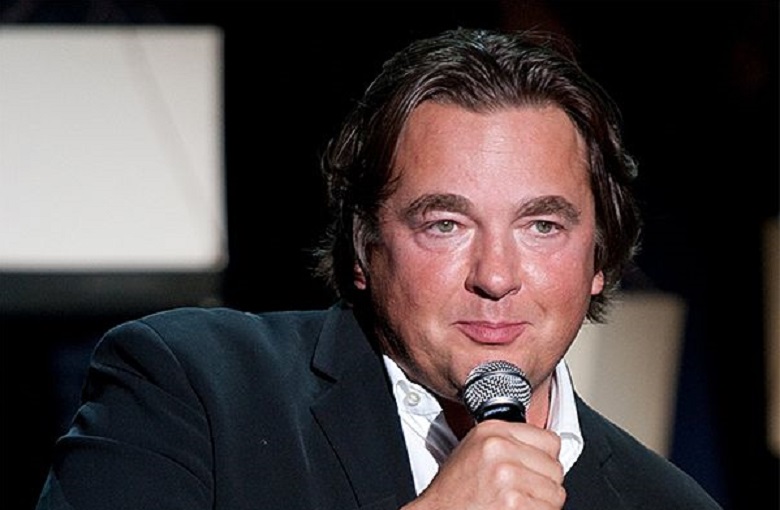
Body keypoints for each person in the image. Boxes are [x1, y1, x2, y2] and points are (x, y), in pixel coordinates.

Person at [35, 27, 722, 509]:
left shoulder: (666, 502)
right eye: (445, 224)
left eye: (541, 226)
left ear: (600, 258)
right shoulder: (193, 389)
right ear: (364, 247)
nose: (495, 276)